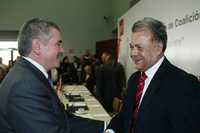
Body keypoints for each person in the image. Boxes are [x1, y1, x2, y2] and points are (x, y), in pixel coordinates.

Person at [0, 18, 103, 133]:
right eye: (58, 44)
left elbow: (63, 119)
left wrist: (104, 126)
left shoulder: (29, 75)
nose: (62, 49)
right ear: (37, 46)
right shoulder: (25, 85)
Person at [104, 17, 200, 133]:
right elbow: (125, 116)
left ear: (158, 48)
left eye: (139, 47)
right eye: (131, 47)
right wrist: (110, 131)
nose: (133, 53)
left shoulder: (184, 84)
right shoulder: (134, 79)